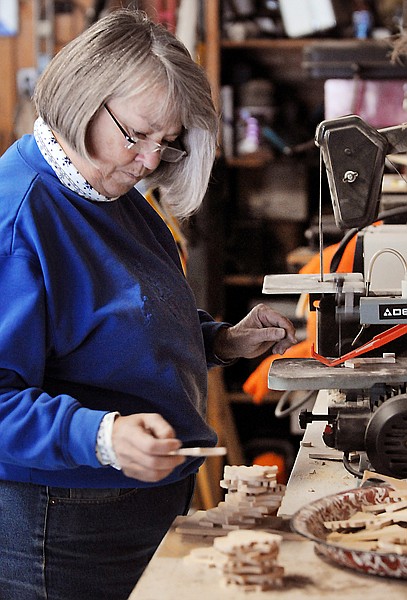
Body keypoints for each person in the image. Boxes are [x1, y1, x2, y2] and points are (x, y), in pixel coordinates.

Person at [0, 9, 296, 600]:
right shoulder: (19, 219)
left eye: (167, 142)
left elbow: (122, 318)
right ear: (84, 98)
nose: (151, 161)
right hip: (64, 529)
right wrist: (100, 436)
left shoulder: (112, 189)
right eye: (138, 134)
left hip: (140, 509)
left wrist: (220, 340)